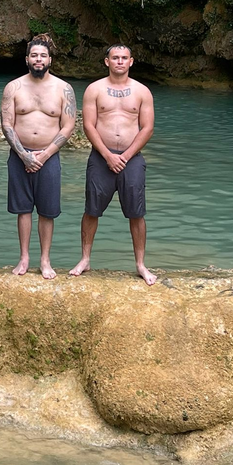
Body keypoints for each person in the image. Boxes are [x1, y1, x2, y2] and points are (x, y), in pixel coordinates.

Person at [70, 43, 156, 286]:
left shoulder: (142, 91)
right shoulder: (94, 89)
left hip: (132, 158)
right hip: (101, 157)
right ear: (107, 61)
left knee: (136, 213)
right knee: (92, 210)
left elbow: (147, 127)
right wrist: (107, 155)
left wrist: (125, 156)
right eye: (115, 57)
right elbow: (88, 125)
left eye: (124, 58)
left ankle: (140, 264)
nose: (119, 61)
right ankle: (85, 259)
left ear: (131, 61)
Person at [0, 35, 76, 279]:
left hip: (49, 156)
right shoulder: (13, 87)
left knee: (47, 210)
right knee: (23, 209)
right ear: (27, 59)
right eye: (34, 55)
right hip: (19, 155)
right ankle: (24, 257)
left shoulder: (64, 88)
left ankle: (45, 259)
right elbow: (7, 124)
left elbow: (67, 126)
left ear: (50, 59)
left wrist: (45, 155)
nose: (39, 59)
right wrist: (23, 155)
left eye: (43, 55)